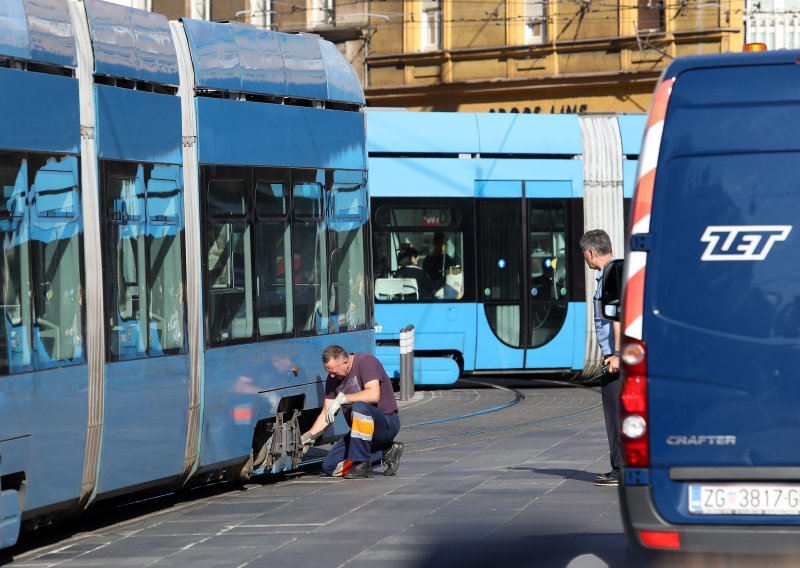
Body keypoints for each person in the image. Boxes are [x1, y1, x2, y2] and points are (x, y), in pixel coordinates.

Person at [300, 345, 404, 478]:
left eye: (334, 371)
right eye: (328, 371)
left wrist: (345, 398)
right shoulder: (333, 379)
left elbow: (373, 395)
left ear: (345, 362)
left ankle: (362, 464)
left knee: (359, 407)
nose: (331, 375)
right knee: (330, 466)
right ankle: (386, 452)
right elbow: (327, 412)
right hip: (360, 432)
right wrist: (309, 437)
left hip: (386, 423)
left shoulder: (367, 362)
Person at [580, 229, 622, 487]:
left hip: (617, 358)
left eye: (584, 254)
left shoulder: (610, 274)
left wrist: (615, 354)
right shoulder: (614, 272)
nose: (585, 258)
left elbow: (617, 316)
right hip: (616, 355)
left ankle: (621, 470)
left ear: (591, 252)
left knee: (616, 413)